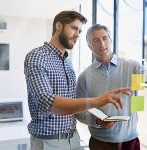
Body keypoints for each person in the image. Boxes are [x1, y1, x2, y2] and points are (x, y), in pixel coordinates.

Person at [24, 11, 131, 150]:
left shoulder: (68, 64)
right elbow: (47, 102)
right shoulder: (37, 57)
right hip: (49, 143)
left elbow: (73, 106)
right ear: (58, 26)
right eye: (74, 28)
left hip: (74, 139)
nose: (77, 35)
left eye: (79, 31)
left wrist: (97, 120)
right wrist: (98, 100)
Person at [76, 24, 144, 150]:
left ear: (110, 40)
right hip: (100, 143)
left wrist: (137, 103)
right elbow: (79, 112)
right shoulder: (84, 77)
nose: (102, 44)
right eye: (95, 40)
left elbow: (141, 90)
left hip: (130, 141)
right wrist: (97, 121)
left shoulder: (133, 67)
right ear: (89, 46)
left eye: (104, 38)